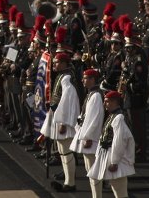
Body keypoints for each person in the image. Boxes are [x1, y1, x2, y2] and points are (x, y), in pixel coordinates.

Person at [88, 90, 136, 198]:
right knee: (117, 189)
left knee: (120, 192)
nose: (104, 104)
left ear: (115, 102)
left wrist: (114, 162)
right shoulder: (112, 116)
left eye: (107, 101)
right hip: (108, 154)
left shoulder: (118, 118)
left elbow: (119, 141)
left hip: (115, 158)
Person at [70, 68, 105, 198]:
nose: (83, 80)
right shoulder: (91, 94)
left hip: (91, 140)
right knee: (89, 171)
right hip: (87, 137)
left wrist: (88, 137)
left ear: (92, 79)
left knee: (93, 172)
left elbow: (95, 119)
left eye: (85, 78)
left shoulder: (95, 96)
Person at [48, 52, 79, 192]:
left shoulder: (66, 78)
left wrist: (63, 122)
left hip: (64, 121)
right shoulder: (62, 76)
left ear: (64, 64)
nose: (54, 64)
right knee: (62, 151)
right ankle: (68, 180)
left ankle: (70, 182)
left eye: (57, 62)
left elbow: (67, 103)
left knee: (66, 151)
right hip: (59, 117)